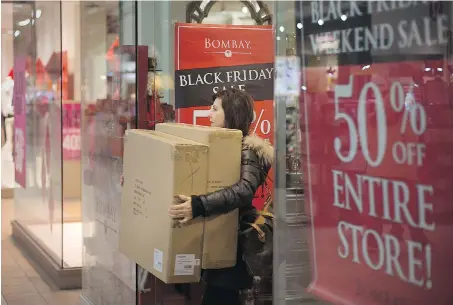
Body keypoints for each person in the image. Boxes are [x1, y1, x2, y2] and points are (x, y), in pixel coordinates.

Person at [168, 88, 274, 305]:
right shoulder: (216, 147)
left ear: (231, 113)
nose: (209, 114)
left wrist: (198, 205)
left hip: (233, 248)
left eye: (215, 109)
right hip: (214, 242)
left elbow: (244, 190)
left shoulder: (247, 150)